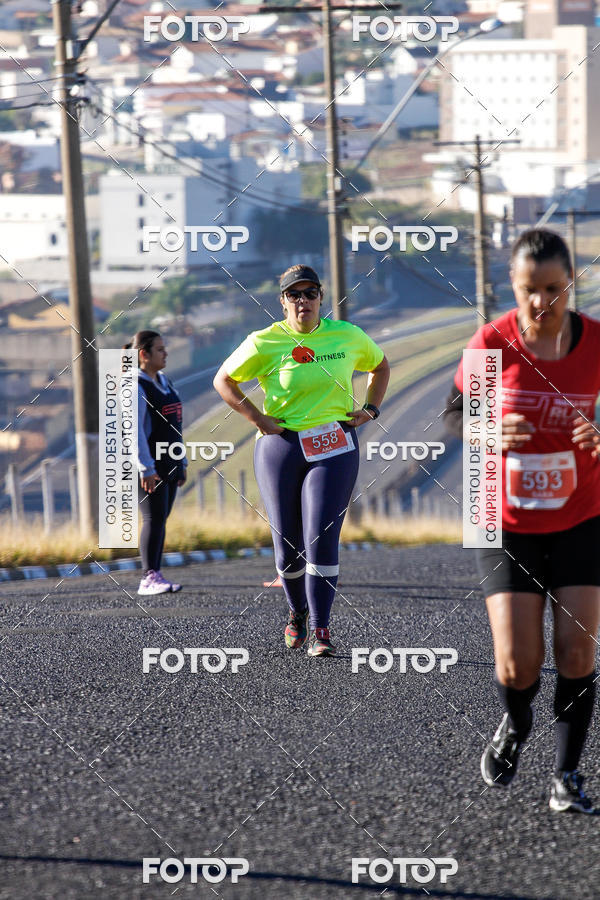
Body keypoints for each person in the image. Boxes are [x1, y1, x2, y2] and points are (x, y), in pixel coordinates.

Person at [444, 228, 600, 813]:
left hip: (582, 514)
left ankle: (567, 776)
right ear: (512, 283)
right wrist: (486, 429)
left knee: (577, 653)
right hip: (501, 516)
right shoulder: (493, 343)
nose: (542, 302)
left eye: (554, 288)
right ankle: (514, 723)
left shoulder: (595, 343)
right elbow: (455, 416)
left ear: (571, 283)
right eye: (530, 289)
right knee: (517, 663)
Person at [213, 265, 390, 657]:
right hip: (281, 446)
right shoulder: (263, 342)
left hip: (334, 445)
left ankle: (321, 630)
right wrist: (257, 418)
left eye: (310, 293)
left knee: (321, 536)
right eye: (294, 294)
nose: (303, 300)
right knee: (287, 546)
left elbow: (380, 366)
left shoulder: (347, 335)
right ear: (283, 301)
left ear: (321, 298)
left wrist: (371, 409)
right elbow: (223, 380)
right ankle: (297, 611)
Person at [125, 330, 187, 595]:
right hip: (150, 467)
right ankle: (148, 578)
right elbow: (134, 432)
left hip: (170, 462)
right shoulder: (134, 386)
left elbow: (176, 424)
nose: (166, 353)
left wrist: (181, 461)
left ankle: (156, 574)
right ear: (144, 354)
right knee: (153, 518)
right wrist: (146, 468)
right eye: (160, 349)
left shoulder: (164, 381)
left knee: (161, 519)